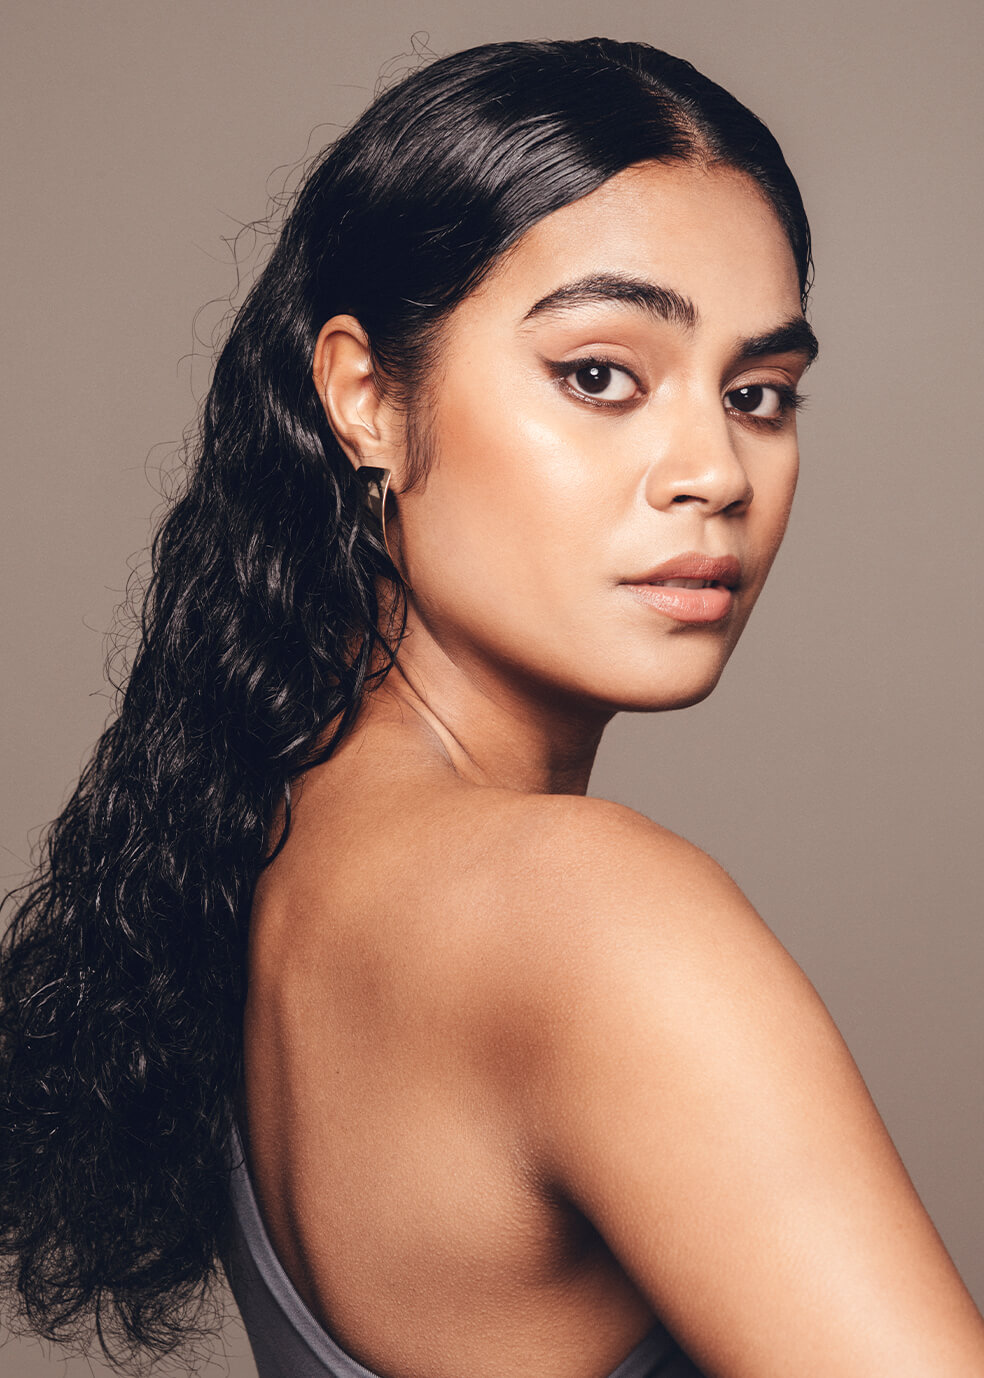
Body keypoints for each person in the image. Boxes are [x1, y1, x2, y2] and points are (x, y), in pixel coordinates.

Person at [2, 35, 982, 1378]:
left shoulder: (260, 843)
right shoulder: (588, 916)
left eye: (758, 394)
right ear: (366, 399)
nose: (713, 470)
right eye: (600, 375)